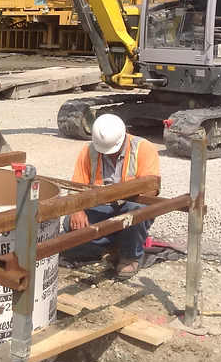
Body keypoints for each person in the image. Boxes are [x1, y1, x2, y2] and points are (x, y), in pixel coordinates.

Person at [65, 114, 160, 279]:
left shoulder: (144, 148)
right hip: (102, 206)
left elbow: (150, 189)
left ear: (124, 136)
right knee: (70, 224)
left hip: (131, 203)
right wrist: (76, 211)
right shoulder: (89, 151)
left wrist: (122, 194)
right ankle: (116, 245)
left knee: (136, 212)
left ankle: (130, 256)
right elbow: (76, 187)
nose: (110, 154)